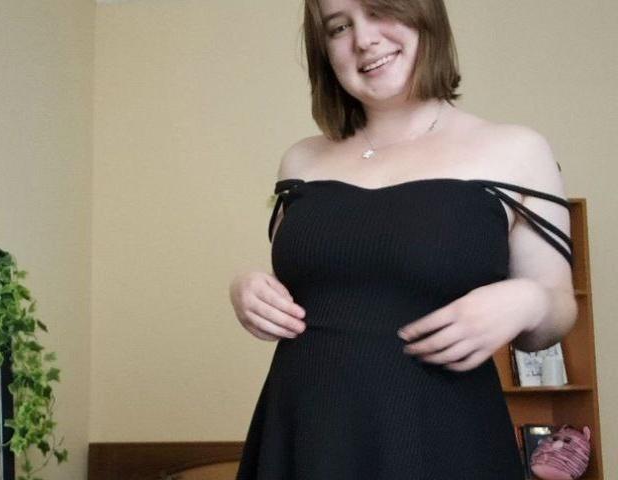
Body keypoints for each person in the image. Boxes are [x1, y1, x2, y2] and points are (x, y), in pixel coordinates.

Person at [229, 0, 577, 478]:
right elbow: (318, 287)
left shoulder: (517, 150)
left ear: (424, 15)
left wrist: (529, 301)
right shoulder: (300, 160)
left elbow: (556, 309)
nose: (364, 39)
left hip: (443, 440)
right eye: (339, 27)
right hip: (307, 436)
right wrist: (248, 290)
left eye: (379, 11)